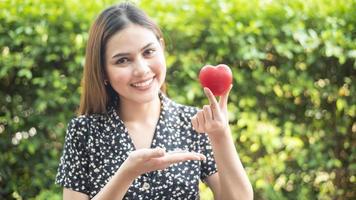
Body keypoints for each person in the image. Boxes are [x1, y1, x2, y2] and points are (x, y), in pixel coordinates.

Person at [55, 2, 253, 200]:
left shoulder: (194, 123)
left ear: (162, 47)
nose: (141, 69)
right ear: (103, 71)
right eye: (122, 60)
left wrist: (221, 134)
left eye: (148, 52)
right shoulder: (84, 132)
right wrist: (127, 174)